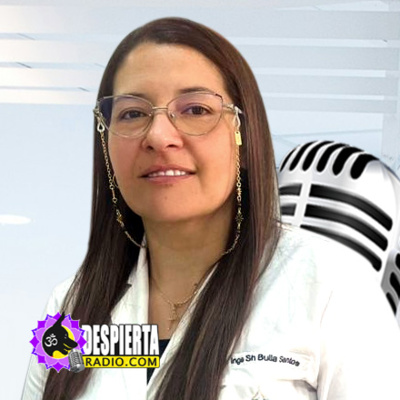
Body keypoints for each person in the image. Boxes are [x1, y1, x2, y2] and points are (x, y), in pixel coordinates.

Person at [22, 17, 400, 400]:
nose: (158, 136)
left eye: (195, 109)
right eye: (133, 113)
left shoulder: (330, 287)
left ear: (244, 138)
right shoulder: (72, 310)